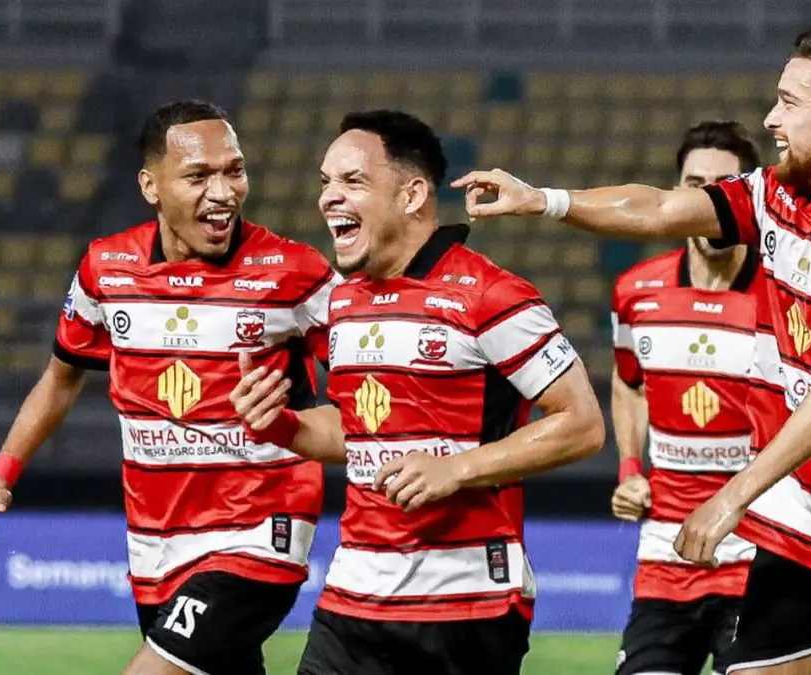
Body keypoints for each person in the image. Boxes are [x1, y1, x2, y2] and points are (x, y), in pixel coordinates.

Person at [453, 21, 811, 675]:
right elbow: (658, 209)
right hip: (801, 521)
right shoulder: (777, 194)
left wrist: (732, 495)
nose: (771, 118)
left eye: (789, 101)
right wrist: (545, 200)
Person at [0, 100, 343, 675]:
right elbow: (60, 380)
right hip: (155, 545)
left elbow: (373, 375)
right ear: (151, 187)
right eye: (198, 175)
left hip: (258, 533)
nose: (223, 192)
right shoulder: (106, 269)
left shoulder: (295, 273)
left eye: (234, 171)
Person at [229, 109, 605, 675]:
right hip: (353, 594)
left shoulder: (492, 295)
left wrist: (456, 469)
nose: (329, 197)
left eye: (353, 180)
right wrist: (282, 424)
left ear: (412, 195)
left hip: (466, 601)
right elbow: (358, 432)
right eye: (326, 181)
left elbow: (582, 424)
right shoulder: (343, 302)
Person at [609, 121, 775, 675]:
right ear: (676, 195)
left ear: (746, 197)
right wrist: (630, 469)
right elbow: (628, 384)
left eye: (724, 186)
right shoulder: (635, 292)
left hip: (758, 558)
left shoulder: (783, 298)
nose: (708, 201)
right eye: (694, 185)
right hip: (666, 555)